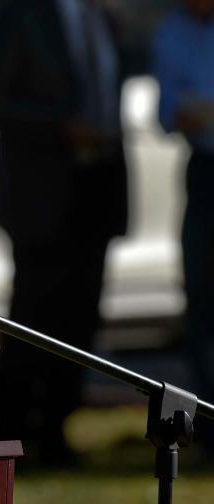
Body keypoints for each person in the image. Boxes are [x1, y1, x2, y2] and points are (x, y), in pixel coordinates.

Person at [0, 0, 128, 464]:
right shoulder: (23, 13)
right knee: (31, 316)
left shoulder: (100, 15)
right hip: (40, 193)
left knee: (80, 315)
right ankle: (14, 435)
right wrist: (60, 127)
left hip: (96, 187)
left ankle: (58, 431)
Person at [153, 0, 214, 452]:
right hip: (205, 168)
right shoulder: (172, 31)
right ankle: (209, 423)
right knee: (203, 293)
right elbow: (166, 112)